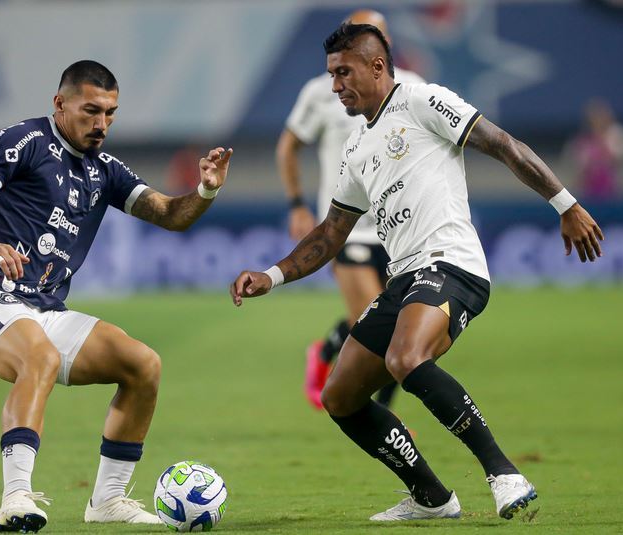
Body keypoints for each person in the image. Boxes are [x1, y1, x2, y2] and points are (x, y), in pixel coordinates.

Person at [231, 24, 603, 522]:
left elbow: (504, 144)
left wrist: (566, 204)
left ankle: (503, 472)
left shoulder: (424, 101)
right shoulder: (357, 149)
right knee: (340, 396)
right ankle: (431, 497)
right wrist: (271, 276)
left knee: (407, 357)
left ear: (377, 66)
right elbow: (330, 234)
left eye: (343, 73)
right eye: (330, 75)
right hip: (404, 278)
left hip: (452, 264)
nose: (334, 85)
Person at [0, 60, 232, 533]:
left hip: (42, 308)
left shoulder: (106, 170)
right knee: (38, 356)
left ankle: (108, 500)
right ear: (60, 104)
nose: (101, 125)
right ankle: (15, 498)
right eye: (91, 110)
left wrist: (205, 190)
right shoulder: (26, 142)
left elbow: (171, 215)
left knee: (142, 365)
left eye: (111, 114)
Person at [277, 9, 425, 410]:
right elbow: (288, 145)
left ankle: (327, 352)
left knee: (395, 326)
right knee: (378, 323)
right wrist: (297, 204)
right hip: (348, 228)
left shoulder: (413, 88)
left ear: (385, 45)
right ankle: (380, 417)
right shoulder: (321, 91)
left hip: (400, 232)